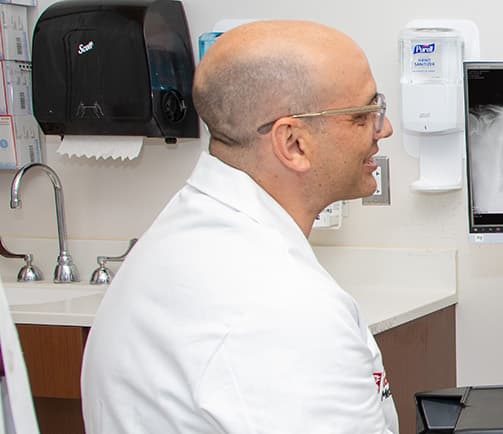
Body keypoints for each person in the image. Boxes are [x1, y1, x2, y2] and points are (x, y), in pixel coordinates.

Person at [80, 21, 398, 432]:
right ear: (293, 144)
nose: (383, 129)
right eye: (364, 115)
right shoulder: (280, 309)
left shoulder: (187, 236)